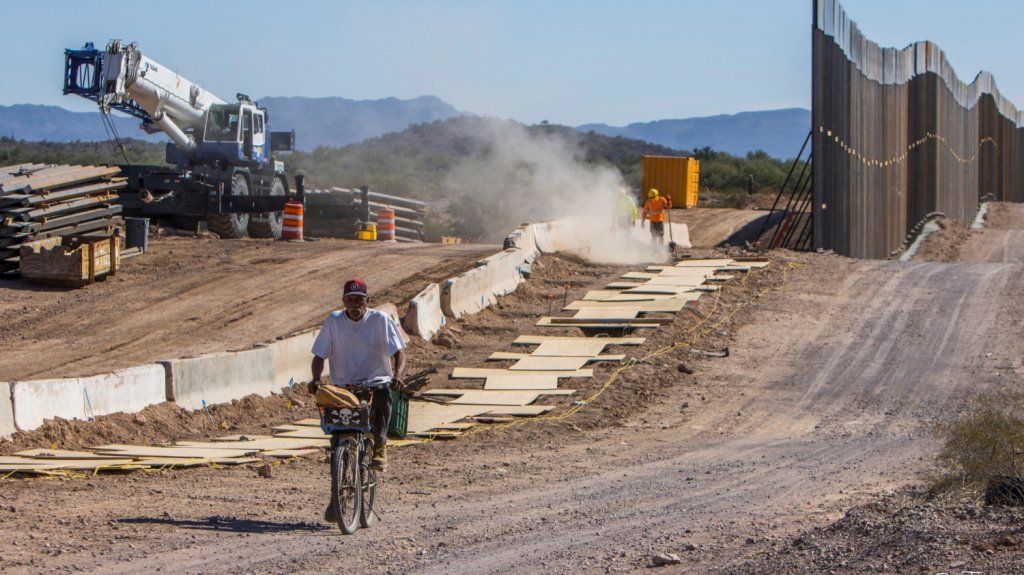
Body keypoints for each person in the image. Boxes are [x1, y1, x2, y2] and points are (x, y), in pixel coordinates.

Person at [308, 278, 406, 474]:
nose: (354, 304)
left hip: (375, 380)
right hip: (343, 385)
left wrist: (397, 375)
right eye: (350, 299)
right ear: (344, 301)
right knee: (336, 431)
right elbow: (319, 355)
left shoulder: (380, 319)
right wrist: (316, 378)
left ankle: (380, 443)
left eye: (359, 299)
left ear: (367, 301)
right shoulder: (334, 321)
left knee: (382, 393)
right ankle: (338, 490)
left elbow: (399, 352)